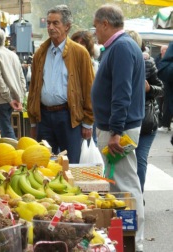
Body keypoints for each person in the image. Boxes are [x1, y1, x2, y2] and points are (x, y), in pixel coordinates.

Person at [91, 5, 145, 251]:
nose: (95, 32)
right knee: (118, 184)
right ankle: (124, 239)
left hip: (119, 130)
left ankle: (135, 241)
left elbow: (121, 92)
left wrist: (115, 132)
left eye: (95, 26)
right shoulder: (118, 46)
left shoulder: (121, 47)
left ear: (105, 24)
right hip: (116, 127)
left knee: (125, 185)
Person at [27, 5, 94, 163]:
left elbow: (89, 88)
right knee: (42, 164)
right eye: (48, 23)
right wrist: (33, 121)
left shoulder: (79, 53)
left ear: (67, 26)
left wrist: (88, 122)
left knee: (70, 164)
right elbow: (34, 89)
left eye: (55, 23)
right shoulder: (40, 53)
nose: (50, 27)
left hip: (68, 117)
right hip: (44, 117)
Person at [126, 30, 164, 193]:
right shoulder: (118, 63)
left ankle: (138, 198)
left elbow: (161, 89)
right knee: (125, 163)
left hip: (145, 122)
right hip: (124, 121)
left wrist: (149, 88)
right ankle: (126, 197)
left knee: (140, 162)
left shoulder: (148, 63)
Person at [0, 28, 26, 139]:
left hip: (1, 98)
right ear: (4, 40)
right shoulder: (13, 55)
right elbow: (21, 77)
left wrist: (8, 97)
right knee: (2, 126)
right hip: (12, 97)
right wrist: (20, 97)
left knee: (6, 130)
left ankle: (12, 152)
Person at [71, 30, 99, 144]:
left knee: (89, 142)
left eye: (83, 43)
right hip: (73, 111)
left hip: (90, 111)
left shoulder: (94, 65)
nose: (79, 45)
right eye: (76, 42)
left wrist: (89, 122)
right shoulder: (67, 64)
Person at [156, 43, 173, 132]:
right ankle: (164, 124)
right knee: (162, 104)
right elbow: (161, 71)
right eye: (163, 50)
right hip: (164, 85)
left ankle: (165, 124)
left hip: (166, 85)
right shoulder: (158, 58)